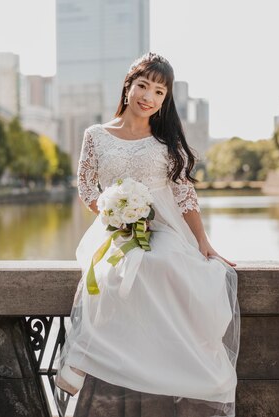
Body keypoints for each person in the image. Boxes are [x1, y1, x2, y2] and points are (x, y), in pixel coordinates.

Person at [55, 52, 240, 417]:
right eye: (143, 86)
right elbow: (87, 189)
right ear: (128, 88)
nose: (149, 97)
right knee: (111, 274)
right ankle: (81, 357)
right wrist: (114, 214)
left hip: (163, 228)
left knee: (170, 264)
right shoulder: (95, 136)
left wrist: (204, 243)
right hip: (114, 229)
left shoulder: (165, 143)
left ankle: (183, 368)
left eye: (159, 91)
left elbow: (185, 197)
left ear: (164, 100)